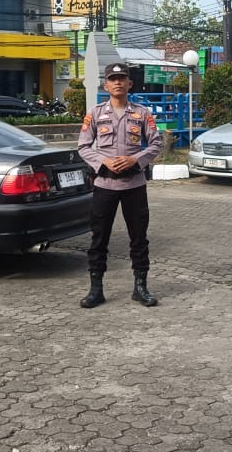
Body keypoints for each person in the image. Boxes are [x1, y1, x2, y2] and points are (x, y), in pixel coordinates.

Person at [76, 63, 163, 308]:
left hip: (134, 186)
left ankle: (140, 288)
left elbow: (156, 144)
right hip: (105, 186)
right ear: (106, 85)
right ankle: (96, 289)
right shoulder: (95, 113)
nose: (117, 82)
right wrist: (103, 162)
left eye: (122, 78)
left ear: (129, 83)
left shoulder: (142, 113)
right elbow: (83, 146)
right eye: (113, 79)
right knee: (99, 238)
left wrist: (135, 160)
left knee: (139, 238)